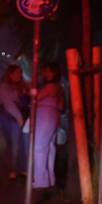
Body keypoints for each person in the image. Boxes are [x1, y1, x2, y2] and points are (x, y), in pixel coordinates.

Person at [31, 61, 66, 191]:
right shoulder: (59, 87)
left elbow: (36, 98)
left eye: (48, 71)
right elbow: (61, 106)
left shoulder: (50, 86)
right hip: (53, 115)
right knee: (50, 147)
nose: (45, 74)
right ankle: (49, 178)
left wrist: (30, 90)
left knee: (39, 147)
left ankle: (41, 180)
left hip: (45, 116)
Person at [0, 64, 29, 179]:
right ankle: (12, 169)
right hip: (10, 118)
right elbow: (9, 105)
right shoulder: (4, 88)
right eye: (16, 73)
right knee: (13, 144)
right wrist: (18, 117)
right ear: (9, 75)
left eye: (20, 73)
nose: (19, 75)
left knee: (23, 142)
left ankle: (23, 168)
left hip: (21, 116)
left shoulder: (21, 87)